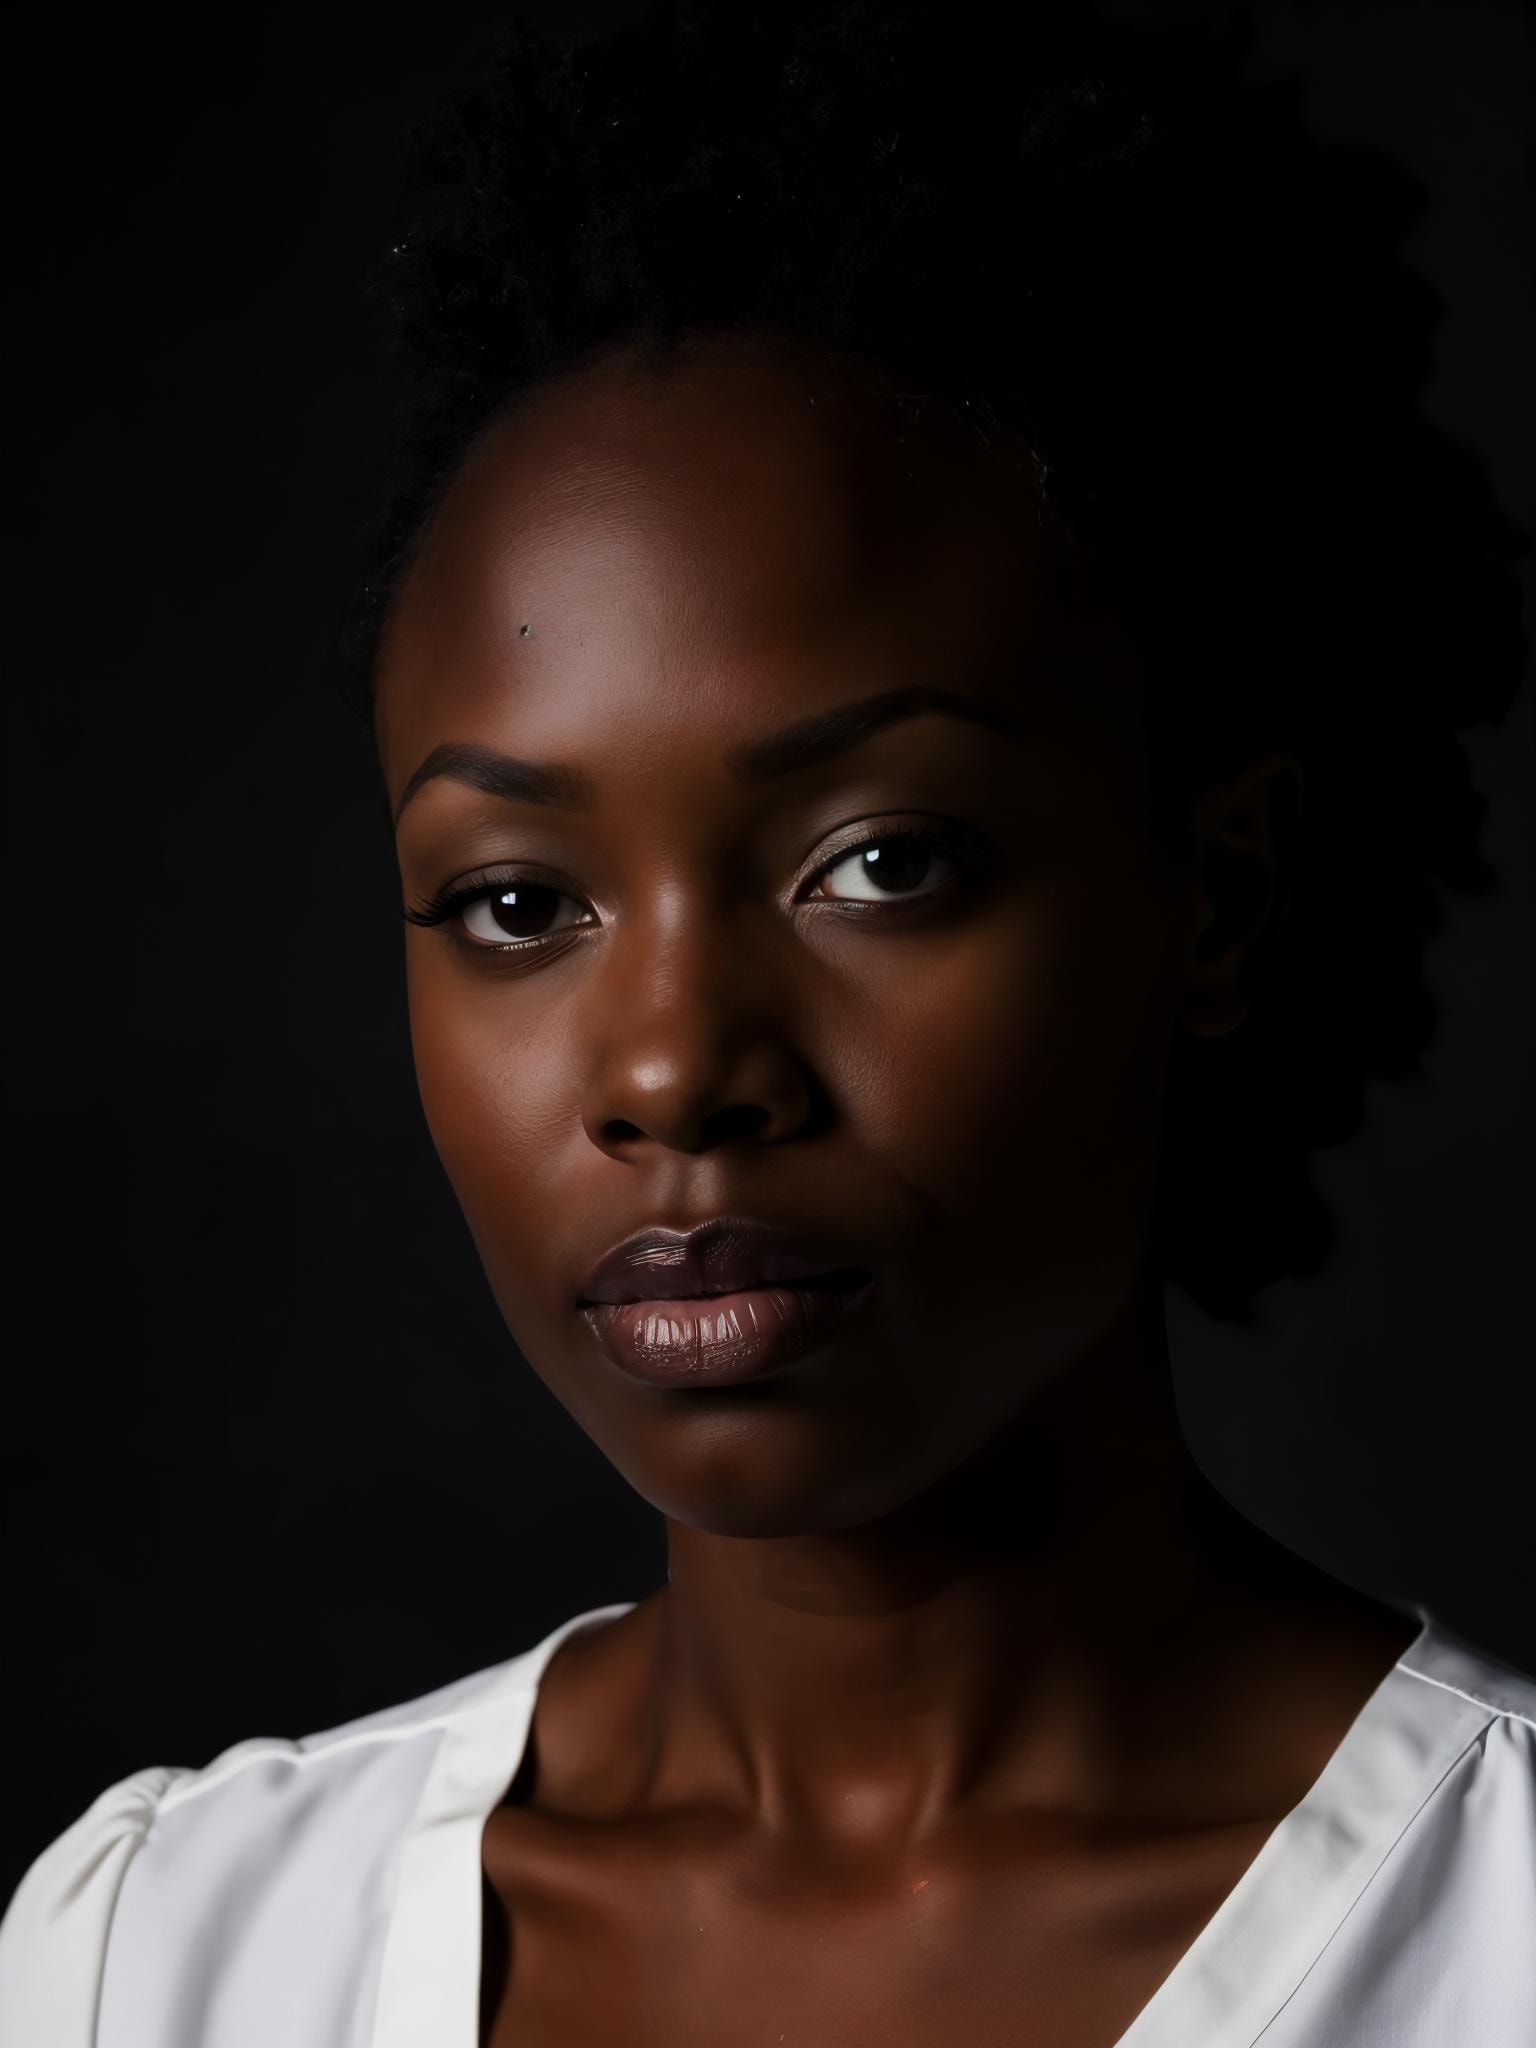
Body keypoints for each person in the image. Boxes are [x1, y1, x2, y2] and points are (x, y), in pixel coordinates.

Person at [3, 4, 1531, 2044]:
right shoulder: (169, 1957)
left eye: (880, 862)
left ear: (1218, 894)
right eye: (519, 902)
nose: (668, 1069)